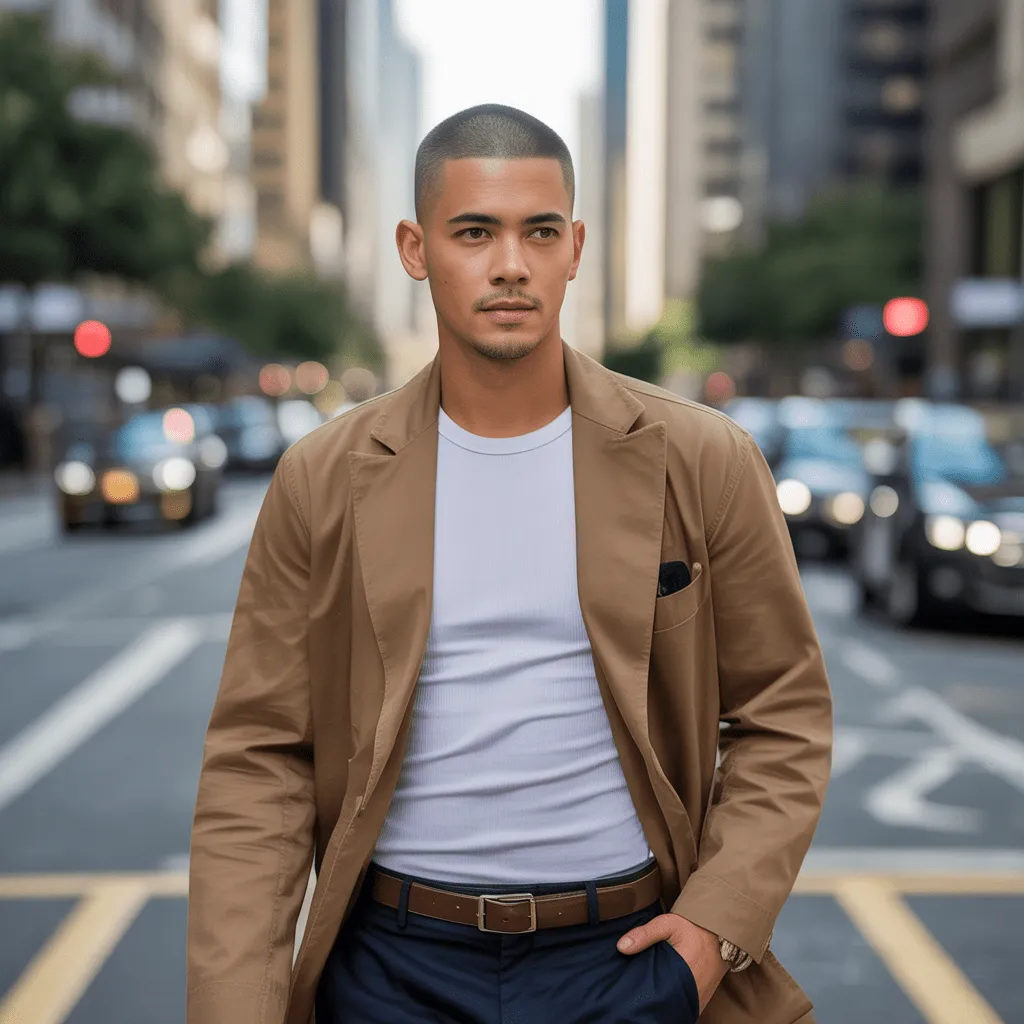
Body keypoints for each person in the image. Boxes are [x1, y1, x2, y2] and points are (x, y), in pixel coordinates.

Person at [186, 105, 832, 1024]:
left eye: (538, 233)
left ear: (574, 247)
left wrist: (710, 932)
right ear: (415, 249)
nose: (510, 266)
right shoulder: (323, 477)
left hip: (629, 961)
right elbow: (260, 759)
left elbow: (784, 713)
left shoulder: (701, 459)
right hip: (390, 972)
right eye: (474, 232)